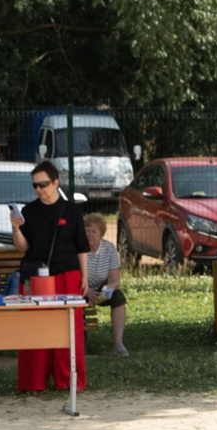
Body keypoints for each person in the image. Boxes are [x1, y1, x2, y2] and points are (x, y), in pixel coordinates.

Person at [14, 164, 89, 395]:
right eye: (35, 185)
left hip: (67, 274)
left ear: (56, 183)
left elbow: (81, 246)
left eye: (43, 184)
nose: (39, 189)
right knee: (35, 328)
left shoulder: (71, 210)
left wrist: (85, 276)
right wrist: (15, 229)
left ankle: (68, 380)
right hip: (37, 276)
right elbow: (23, 248)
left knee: (68, 328)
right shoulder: (29, 211)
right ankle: (34, 380)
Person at [81, 212, 130, 357]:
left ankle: (118, 343)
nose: (89, 235)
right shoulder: (79, 249)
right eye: (87, 231)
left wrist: (106, 289)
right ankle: (81, 345)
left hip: (101, 290)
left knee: (118, 297)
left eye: (93, 231)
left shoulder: (109, 249)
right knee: (75, 302)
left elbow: (116, 281)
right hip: (82, 289)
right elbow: (74, 277)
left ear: (101, 234)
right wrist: (87, 291)